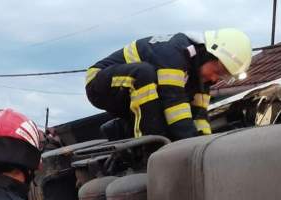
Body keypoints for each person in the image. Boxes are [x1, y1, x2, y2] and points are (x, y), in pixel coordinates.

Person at [85, 28, 252, 141]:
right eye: (220, 71)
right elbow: (175, 106)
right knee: (144, 73)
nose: (216, 79)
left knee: (155, 94)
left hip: (130, 95)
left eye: (225, 76)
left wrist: (205, 145)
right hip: (100, 84)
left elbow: (199, 117)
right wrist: (188, 146)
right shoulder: (173, 54)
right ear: (210, 55)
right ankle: (150, 146)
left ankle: (124, 129)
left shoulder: (199, 79)